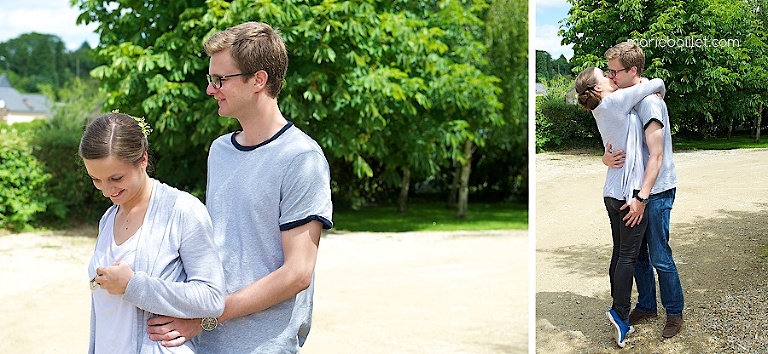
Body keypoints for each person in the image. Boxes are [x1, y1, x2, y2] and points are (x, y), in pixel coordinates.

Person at [146, 21, 333, 353]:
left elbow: (298, 273)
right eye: (210, 79)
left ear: (258, 80)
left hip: (263, 345)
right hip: (206, 341)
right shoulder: (220, 151)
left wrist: (207, 317)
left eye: (220, 80)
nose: (210, 89)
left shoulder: (301, 158)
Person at [81, 112, 226, 354]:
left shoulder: (183, 211)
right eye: (96, 179)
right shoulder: (108, 218)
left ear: (143, 160)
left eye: (116, 178)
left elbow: (212, 298)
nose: (107, 191)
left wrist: (133, 286)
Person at [575, 67, 665, 348]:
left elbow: (611, 150)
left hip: (611, 192)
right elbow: (658, 82)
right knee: (627, 256)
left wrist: (604, 159)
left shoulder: (599, 109)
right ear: (598, 88)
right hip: (629, 194)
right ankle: (621, 315)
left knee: (620, 252)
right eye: (605, 75)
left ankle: (619, 309)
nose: (612, 77)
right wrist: (657, 89)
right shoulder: (616, 101)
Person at [601, 41, 684, 339]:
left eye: (615, 72)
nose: (610, 77)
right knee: (636, 255)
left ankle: (674, 312)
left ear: (633, 70)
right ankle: (647, 305)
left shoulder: (650, 103)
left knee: (660, 255)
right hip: (635, 191)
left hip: (655, 191)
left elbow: (657, 156)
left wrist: (642, 198)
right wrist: (605, 158)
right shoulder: (630, 96)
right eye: (608, 72)